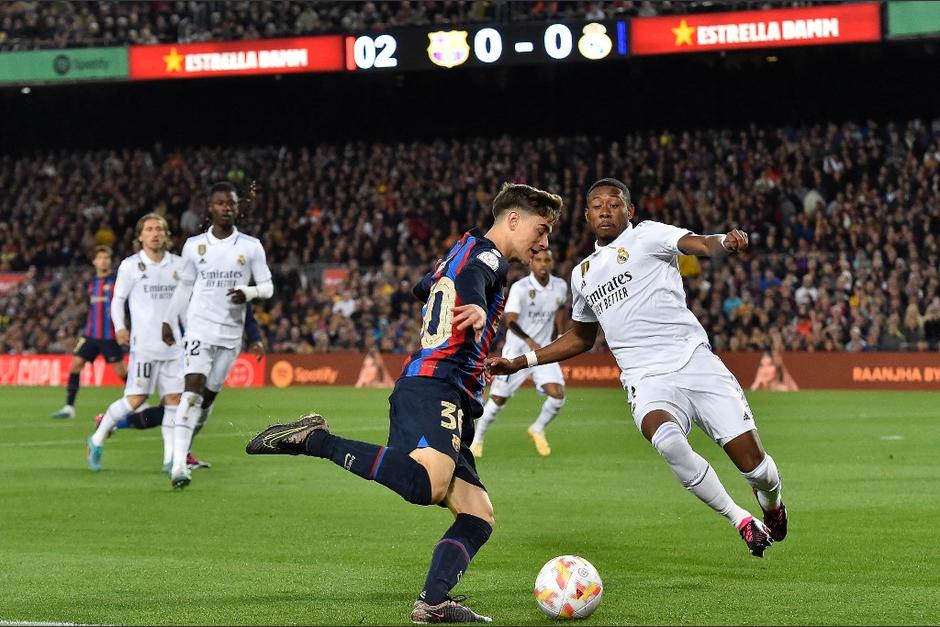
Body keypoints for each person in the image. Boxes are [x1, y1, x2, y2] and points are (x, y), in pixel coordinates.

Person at [246, 182, 563, 623]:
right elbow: (472, 279)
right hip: (437, 385)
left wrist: (458, 321)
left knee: (478, 514)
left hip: (448, 385)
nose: (545, 241)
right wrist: (472, 304)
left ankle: (433, 602)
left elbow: (425, 286)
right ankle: (315, 440)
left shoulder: (461, 249)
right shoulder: (487, 255)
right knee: (425, 485)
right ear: (514, 220)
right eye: (541, 228)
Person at [486, 178, 787, 558]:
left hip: (694, 361)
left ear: (629, 211)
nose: (605, 211)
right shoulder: (582, 275)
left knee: (756, 469)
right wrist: (519, 361)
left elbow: (698, 242)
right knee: (667, 441)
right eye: (597, 206)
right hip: (645, 379)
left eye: (614, 204)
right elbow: (580, 338)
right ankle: (740, 519)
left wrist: (723, 242)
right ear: (586, 216)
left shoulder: (648, 236)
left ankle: (772, 503)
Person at [162, 181, 274, 490]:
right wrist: (169, 321)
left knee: (208, 398)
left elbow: (267, 287)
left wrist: (248, 291)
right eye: (221, 203)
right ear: (210, 208)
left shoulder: (250, 246)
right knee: (192, 392)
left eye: (231, 204)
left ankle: (184, 447)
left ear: (237, 208)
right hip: (198, 329)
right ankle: (178, 465)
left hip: (229, 336)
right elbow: (184, 287)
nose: (226, 208)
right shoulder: (194, 246)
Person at [92, 302, 266, 471]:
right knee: (181, 405)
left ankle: (117, 424)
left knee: (180, 407)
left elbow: (247, 314)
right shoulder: (196, 284)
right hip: (188, 350)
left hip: (207, 349)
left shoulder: (231, 286)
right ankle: (177, 456)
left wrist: (255, 338)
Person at [85, 214, 184, 472]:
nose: (155, 233)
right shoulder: (130, 266)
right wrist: (120, 328)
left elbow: (184, 304)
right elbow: (117, 301)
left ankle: (170, 460)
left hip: (175, 347)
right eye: (149, 229)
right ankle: (97, 439)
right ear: (140, 236)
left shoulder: (178, 265)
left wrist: (189, 333)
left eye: (160, 229)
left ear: (166, 234)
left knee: (173, 400)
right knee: (136, 399)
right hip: (144, 346)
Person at [470, 249, 568, 458]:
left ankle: (537, 428)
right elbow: (510, 320)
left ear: (551, 263)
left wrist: (560, 333)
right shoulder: (521, 288)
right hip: (515, 353)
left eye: (547, 260)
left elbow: (560, 309)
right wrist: (528, 340)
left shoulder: (560, 286)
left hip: (543, 351)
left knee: (558, 395)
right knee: (497, 400)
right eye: (538, 260)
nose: (542, 264)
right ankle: (477, 440)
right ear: (530, 263)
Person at [52, 245, 128, 419]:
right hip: (90, 334)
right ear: (94, 261)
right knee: (75, 365)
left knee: (120, 372)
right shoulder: (91, 283)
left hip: (110, 335)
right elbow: (90, 308)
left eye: (107, 258)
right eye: (100, 258)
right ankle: (69, 407)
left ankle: (137, 399)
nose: (104, 261)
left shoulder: (117, 281)